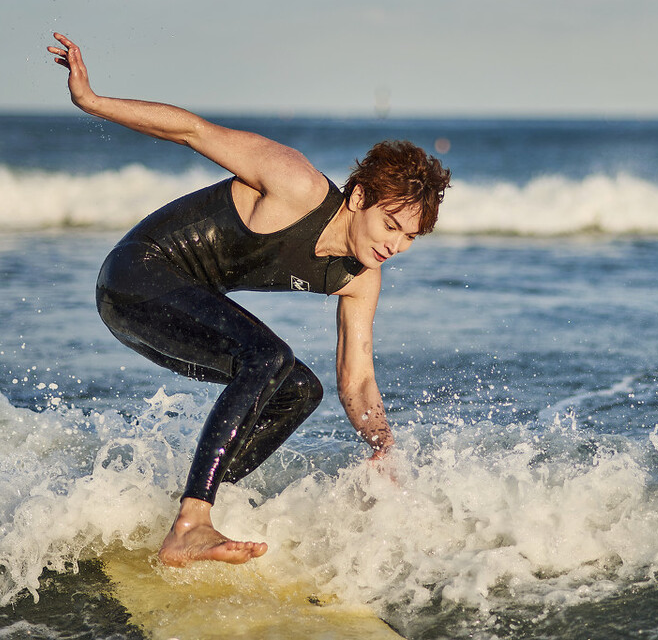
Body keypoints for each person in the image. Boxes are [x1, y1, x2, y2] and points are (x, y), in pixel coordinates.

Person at [47, 33, 450, 565]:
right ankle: (193, 521)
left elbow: (356, 380)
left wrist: (382, 446)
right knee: (268, 358)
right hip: (135, 276)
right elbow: (193, 131)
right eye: (390, 224)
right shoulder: (296, 184)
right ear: (357, 198)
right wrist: (92, 101)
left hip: (172, 305)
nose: (394, 245)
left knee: (299, 390)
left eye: (408, 238)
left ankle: (188, 504)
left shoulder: (360, 279)